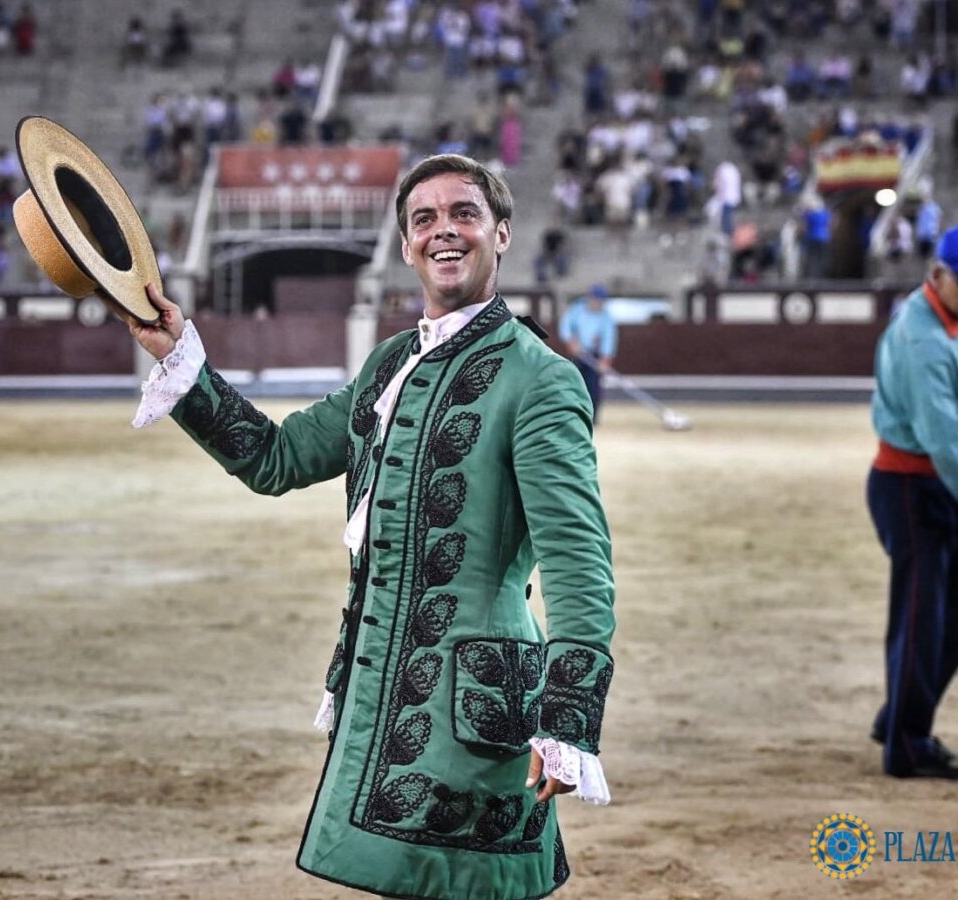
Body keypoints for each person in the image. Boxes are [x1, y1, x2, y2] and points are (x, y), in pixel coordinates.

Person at [104, 154, 616, 899]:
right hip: (381, 688)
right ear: (407, 247)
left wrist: (568, 719)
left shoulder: (541, 377)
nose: (444, 232)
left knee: (467, 885)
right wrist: (181, 357)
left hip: (480, 702)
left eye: (464, 214)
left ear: (501, 235)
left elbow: (577, 558)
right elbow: (275, 459)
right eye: (424, 220)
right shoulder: (388, 365)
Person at [867, 224, 958, 780]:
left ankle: (901, 714)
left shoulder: (953, 319)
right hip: (913, 488)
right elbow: (940, 440)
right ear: (937, 275)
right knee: (920, 620)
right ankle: (907, 745)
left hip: (938, 486)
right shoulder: (924, 338)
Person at [558, 284, 617, 424]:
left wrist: (605, 359)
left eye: (601, 301)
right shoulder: (577, 309)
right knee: (573, 384)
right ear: (590, 298)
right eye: (596, 300)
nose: (598, 304)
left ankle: (592, 418)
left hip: (594, 355)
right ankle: (572, 416)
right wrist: (571, 341)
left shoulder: (606, 317)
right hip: (576, 354)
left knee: (593, 387)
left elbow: (609, 338)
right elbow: (565, 326)